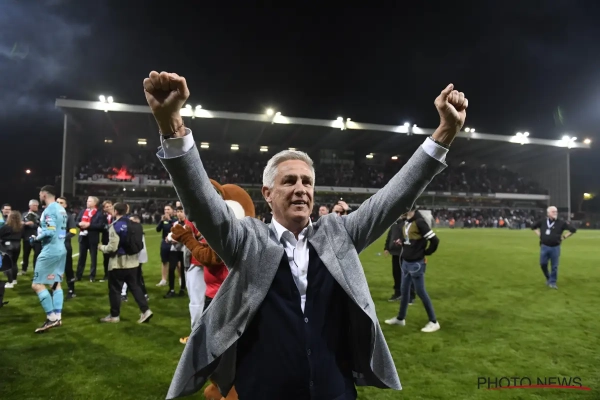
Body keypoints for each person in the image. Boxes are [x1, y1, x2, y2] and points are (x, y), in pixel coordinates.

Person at [144, 70, 467, 399]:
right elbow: (201, 203)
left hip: (334, 391)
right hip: (263, 392)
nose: (301, 189)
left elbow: (394, 197)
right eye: (289, 181)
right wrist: (172, 126)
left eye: (307, 182)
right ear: (268, 194)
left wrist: (444, 133)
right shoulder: (246, 240)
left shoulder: (339, 233)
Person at [384, 209, 440, 332]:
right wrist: (403, 243)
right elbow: (410, 240)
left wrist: (426, 252)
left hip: (416, 263)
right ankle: (400, 318)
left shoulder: (419, 222)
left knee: (421, 292)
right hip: (406, 262)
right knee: (404, 291)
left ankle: (433, 321)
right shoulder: (407, 222)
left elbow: (435, 240)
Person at [98, 203, 153, 324]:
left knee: (115, 290)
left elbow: (112, 248)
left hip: (118, 262)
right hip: (133, 262)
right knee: (135, 287)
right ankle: (146, 310)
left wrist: (101, 247)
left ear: (116, 211)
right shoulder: (134, 224)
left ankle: (114, 315)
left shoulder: (115, 225)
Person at [30, 185, 68, 333]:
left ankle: (51, 318)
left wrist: (36, 238)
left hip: (50, 250)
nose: (39, 196)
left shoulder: (49, 210)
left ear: (44, 195)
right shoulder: (61, 209)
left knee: (37, 285)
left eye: (40, 194)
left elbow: (50, 232)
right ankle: (58, 316)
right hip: (61, 249)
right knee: (55, 283)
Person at [531, 206, 576, 289]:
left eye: (556, 211)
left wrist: (564, 237)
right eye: (553, 212)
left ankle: (552, 282)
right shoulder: (543, 221)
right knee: (543, 264)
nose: (555, 213)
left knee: (554, 266)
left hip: (555, 247)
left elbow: (573, 230)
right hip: (544, 246)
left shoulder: (561, 223)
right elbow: (533, 227)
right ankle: (548, 277)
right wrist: (539, 235)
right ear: (548, 213)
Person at [383, 218, 415, 303]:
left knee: (407, 274)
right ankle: (398, 293)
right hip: (395, 252)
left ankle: (411, 295)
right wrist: (386, 248)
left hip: (404, 252)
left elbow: (410, 236)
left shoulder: (407, 223)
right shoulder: (394, 224)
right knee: (396, 274)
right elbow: (390, 235)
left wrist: (403, 242)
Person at [57, 197, 78, 299]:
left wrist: (62, 237)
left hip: (65, 246)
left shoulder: (69, 216)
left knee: (68, 269)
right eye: (57, 202)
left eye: (61, 203)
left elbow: (73, 231)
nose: (59, 204)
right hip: (52, 246)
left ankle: (71, 290)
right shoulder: (50, 216)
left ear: (65, 205)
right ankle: (55, 289)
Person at [0, 211, 23, 288]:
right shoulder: (20, 227)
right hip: (18, 245)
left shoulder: (6, 227)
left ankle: (10, 282)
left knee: (7, 264)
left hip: (7, 245)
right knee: (14, 263)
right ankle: (14, 280)